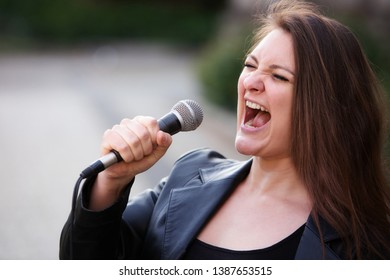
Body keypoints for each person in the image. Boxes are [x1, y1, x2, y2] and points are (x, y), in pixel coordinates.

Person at [60, 0, 390, 260]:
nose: (251, 82)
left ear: (327, 106)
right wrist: (109, 182)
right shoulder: (189, 176)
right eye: (250, 65)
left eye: (278, 76)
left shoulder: (364, 240)